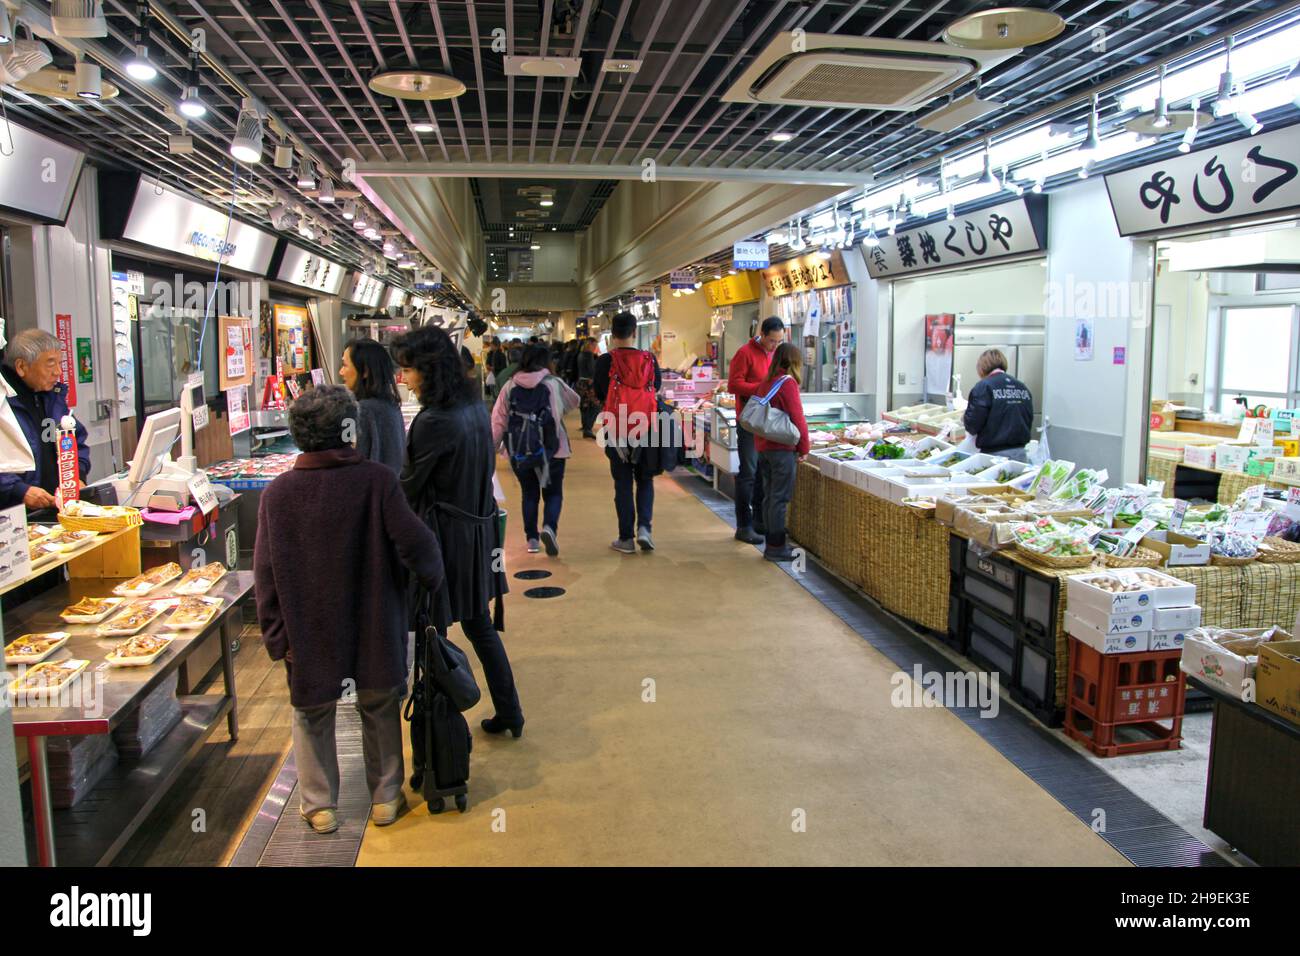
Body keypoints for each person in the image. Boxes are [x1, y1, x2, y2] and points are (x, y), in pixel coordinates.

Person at [254, 385, 445, 834]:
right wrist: (431, 580)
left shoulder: (277, 494)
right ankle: (384, 798)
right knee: (378, 706)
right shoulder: (377, 481)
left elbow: (264, 574)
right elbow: (416, 544)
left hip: (308, 633)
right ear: (349, 431)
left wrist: (277, 636)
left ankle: (320, 805)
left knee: (312, 712)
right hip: (375, 624)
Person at [393, 325, 525, 738]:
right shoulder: (471, 408)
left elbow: (409, 485)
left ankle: (440, 733)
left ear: (427, 371)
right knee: (478, 626)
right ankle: (510, 712)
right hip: (479, 532)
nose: (405, 378)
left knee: (433, 632)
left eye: (409, 369)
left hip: (444, 539)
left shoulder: (433, 421)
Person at [492, 344, 579, 556]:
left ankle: (532, 539)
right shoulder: (553, 383)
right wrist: (558, 412)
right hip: (552, 450)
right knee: (553, 492)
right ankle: (549, 527)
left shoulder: (510, 385)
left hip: (520, 450)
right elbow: (574, 400)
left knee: (529, 494)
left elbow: (498, 419)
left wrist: (493, 449)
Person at [0, 329, 91, 515]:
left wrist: (77, 475)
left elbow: (76, 440)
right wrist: (19, 490)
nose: (58, 372)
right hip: (14, 515)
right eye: (50, 364)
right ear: (21, 367)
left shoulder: (52, 398)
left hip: (57, 509)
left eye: (60, 363)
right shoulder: (4, 402)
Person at [594, 311, 662, 554]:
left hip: (616, 429)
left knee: (622, 484)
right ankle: (645, 528)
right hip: (646, 428)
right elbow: (657, 388)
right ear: (635, 333)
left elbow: (600, 393)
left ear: (612, 335)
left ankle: (626, 538)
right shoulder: (650, 359)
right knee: (645, 479)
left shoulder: (605, 361)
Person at [726, 317, 785, 545]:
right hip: (750, 422)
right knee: (748, 472)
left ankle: (760, 521)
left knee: (763, 471)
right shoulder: (745, 353)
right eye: (772, 341)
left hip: (769, 422)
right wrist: (761, 388)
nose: (774, 346)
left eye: (779, 342)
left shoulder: (776, 354)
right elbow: (734, 384)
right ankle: (744, 525)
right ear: (762, 334)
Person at [753, 343, 810, 563]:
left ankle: (771, 542)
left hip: (764, 448)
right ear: (795, 362)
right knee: (779, 498)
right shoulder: (787, 384)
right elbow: (798, 418)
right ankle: (776, 547)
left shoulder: (767, 382)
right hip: (781, 450)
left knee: (770, 496)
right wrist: (804, 447)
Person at [339, 338, 404, 473]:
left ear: (365, 371)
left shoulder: (355, 410)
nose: (341, 372)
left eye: (345, 365)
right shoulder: (392, 404)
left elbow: (344, 454)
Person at [962, 348, 1033, 463]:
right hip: (1020, 454)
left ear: (981, 367)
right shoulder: (1022, 387)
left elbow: (973, 425)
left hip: (993, 456)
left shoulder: (983, 387)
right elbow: (1028, 418)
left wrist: (965, 418)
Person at [576, 336, 600, 439]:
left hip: (581, 381)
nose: (595, 347)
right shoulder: (589, 355)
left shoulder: (581, 354)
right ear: (590, 344)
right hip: (589, 383)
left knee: (585, 405)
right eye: (594, 345)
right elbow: (592, 370)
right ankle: (588, 428)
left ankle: (585, 425)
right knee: (595, 405)